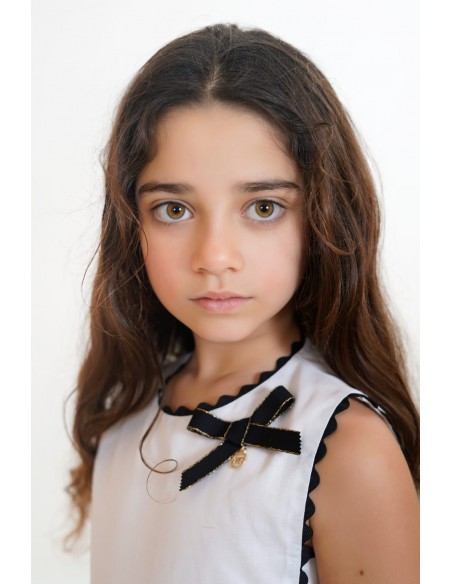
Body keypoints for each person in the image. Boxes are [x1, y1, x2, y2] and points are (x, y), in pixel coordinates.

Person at [67, 23, 420, 583]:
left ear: (325, 215)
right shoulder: (121, 422)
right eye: (174, 210)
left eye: (262, 207)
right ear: (131, 224)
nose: (215, 257)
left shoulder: (348, 449)